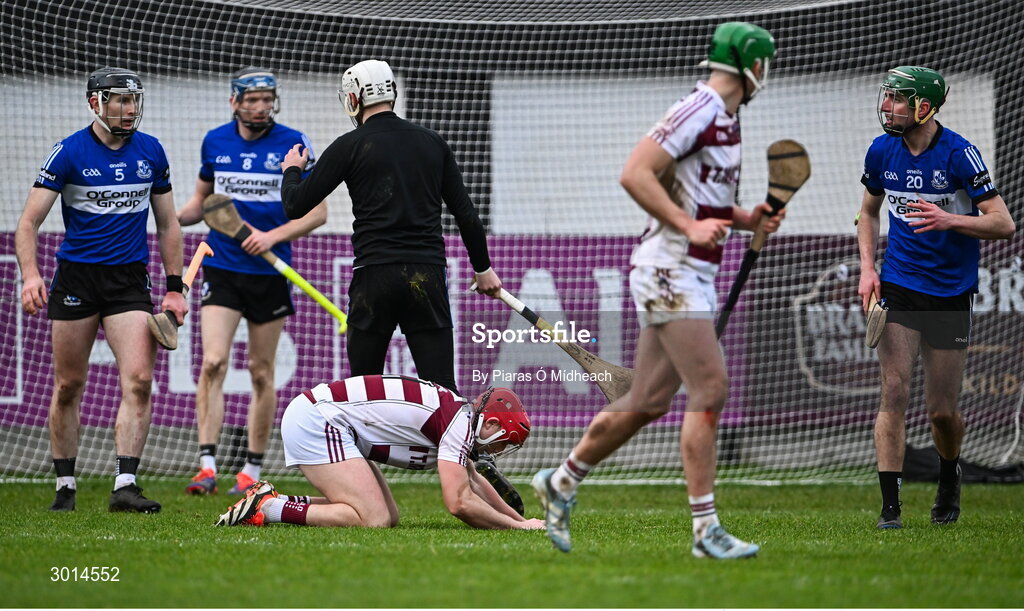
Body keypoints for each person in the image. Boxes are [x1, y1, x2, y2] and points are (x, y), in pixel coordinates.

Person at [531, 22, 782, 557]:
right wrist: (688, 228)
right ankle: (705, 531)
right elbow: (636, 173)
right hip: (671, 268)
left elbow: (698, 200)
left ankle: (562, 481)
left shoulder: (727, 121)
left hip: (687, 270)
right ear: (753, 65)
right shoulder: (700, 109)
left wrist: (745, 216)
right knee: (710, 388)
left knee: (646, 401)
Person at [277, 59, 521, 508]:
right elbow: (466, 214)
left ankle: (362, 493)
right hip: (426, 278)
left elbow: (295, 205)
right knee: (445, 397)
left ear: (353, 98)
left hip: (373, 280)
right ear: (392, 94)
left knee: (359, 395)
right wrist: (483, 269)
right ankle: (470, 474)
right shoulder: (431, 143)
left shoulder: (349, 145)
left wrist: (294, 168)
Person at [15, 67, 186, 513]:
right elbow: (28, 223)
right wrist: (31, 276)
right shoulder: (68, 153)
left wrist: (174, 288)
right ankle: (66, 486)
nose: (130, 110)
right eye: (119, 101)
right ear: (96, 103)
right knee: (69, 384)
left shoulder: (152, 151)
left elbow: (168, 224)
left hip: (129, 281)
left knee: (141, 380)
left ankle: (125, 485)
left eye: (134, 101)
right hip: (76, 280)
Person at [856, 66, 1014, 529]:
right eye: (887, 97)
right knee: (894, 389)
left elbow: (1003, 223)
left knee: (943, 412)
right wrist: (868, 269)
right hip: (900, 283)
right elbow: (867, 212)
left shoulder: (960, 154)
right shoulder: (882, 149)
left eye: (897, 100)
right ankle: (890, 511)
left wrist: (951, 221)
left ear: (924, 107)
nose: (888, 106)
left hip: (950, 291)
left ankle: (949, 475)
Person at [177, 67, 328, 496]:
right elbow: (201, 204)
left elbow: (317, 213)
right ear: (235, 103)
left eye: (267, 99)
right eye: (253, 100)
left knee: (261, 371)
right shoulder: (215, 141)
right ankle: (206, 466)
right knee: (212, 362)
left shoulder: (294, 143)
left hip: (270, 272)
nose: (261, 107)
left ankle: (251, 470)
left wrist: (271, 237)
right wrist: (162, 215)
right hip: (222, 267)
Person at [215, 375, 543, 530]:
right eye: (503, 441)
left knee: (388, 516)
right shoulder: (458, 423)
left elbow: (472, 482)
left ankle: (270, 500)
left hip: (327, 419)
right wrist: (516, 528)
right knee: (373, 519)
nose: (500, 449)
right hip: (318, 420)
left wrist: (522, 520)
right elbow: (458, 503)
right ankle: (268, 507)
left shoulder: (459, 418)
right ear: (491, 425)